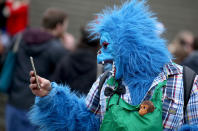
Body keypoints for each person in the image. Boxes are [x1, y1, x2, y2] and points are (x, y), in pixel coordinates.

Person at [28, 1, 198, 130]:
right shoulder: (106, 81)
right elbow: (83, 122)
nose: (99, 52)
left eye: (106, 46)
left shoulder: (185, 82)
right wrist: (51, 96)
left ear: (131, 45)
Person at [6, 8, 68, 131]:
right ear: (59, 26)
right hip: (38, 109)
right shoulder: (58, 49)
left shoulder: (20, 37)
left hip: (14, 103)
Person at [53, 28, 99, 95]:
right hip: (88, 104)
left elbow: (56, 85)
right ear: (97, 44)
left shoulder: (66, 59)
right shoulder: (99, 65)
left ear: (81, 40)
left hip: (66, 102)